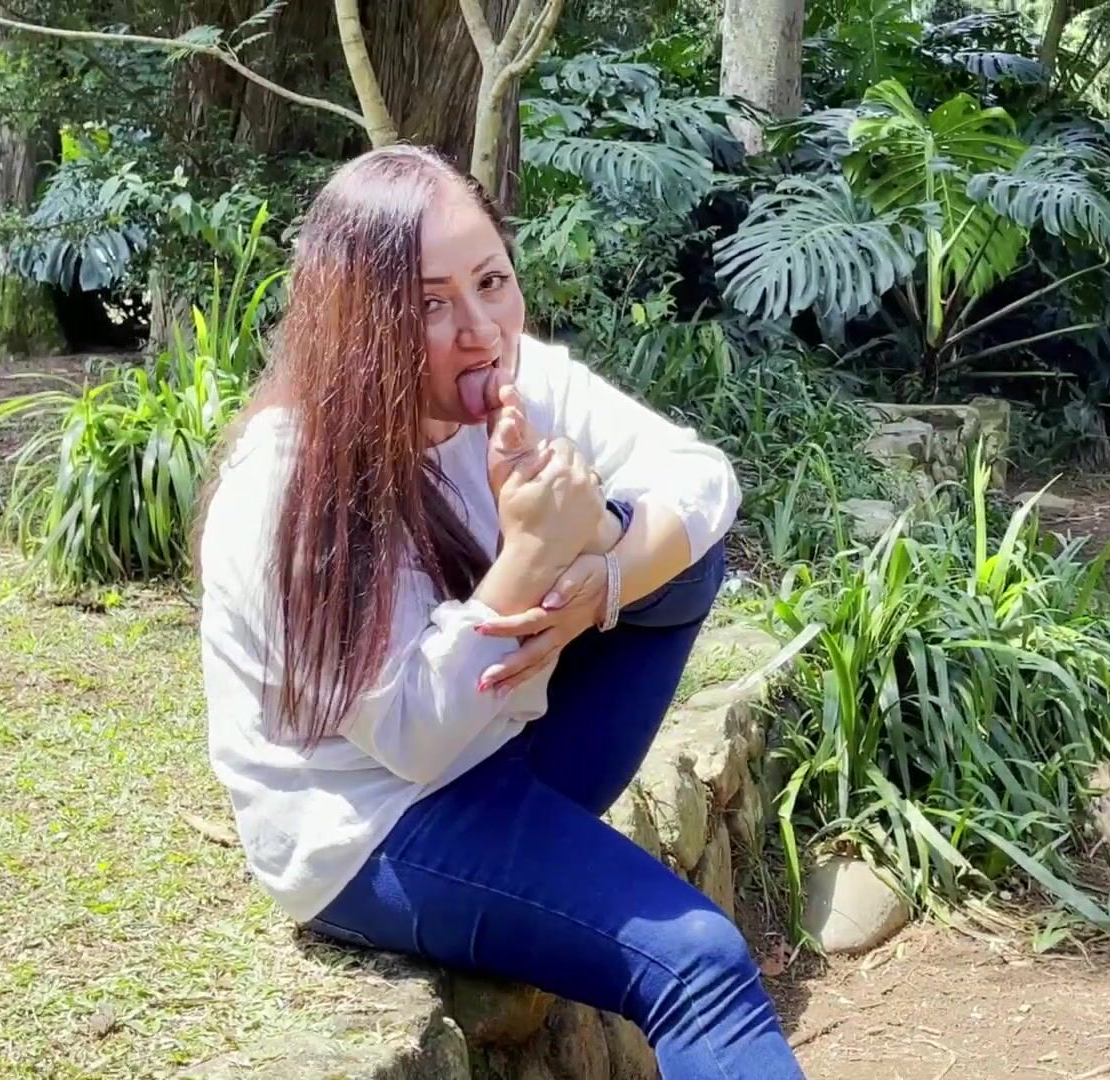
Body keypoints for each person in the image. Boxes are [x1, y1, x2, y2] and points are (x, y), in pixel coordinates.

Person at [193, 144, 805, 1078]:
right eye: (430, 304)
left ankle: (545, 851)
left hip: (499, 749)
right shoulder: (288, 483)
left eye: (492, 282)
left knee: (678, 560)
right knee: (697, 962)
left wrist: (597, 555)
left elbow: (703, 479)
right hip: (377, 826)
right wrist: (527, 557)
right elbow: (412, 739)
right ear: (360, 320)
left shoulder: (519, 383)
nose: (479, 329)